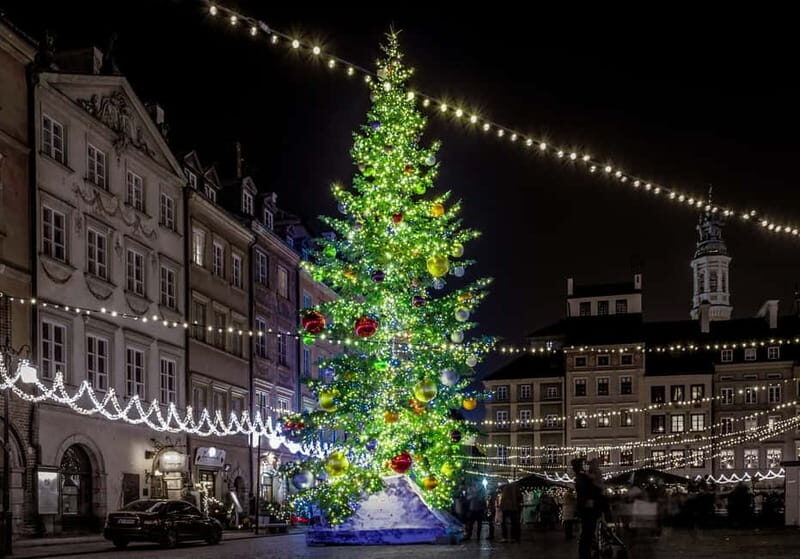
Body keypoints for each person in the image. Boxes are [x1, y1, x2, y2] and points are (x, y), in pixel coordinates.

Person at [574, 457, 605, 559]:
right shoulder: (581, 477)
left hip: (589, 508)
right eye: (583, 463)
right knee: (587, 532)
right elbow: (587, 491)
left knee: (588, 532)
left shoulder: (583, 476)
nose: (586, 465)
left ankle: (585, 552)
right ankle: (584, 554)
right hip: (588, 509)